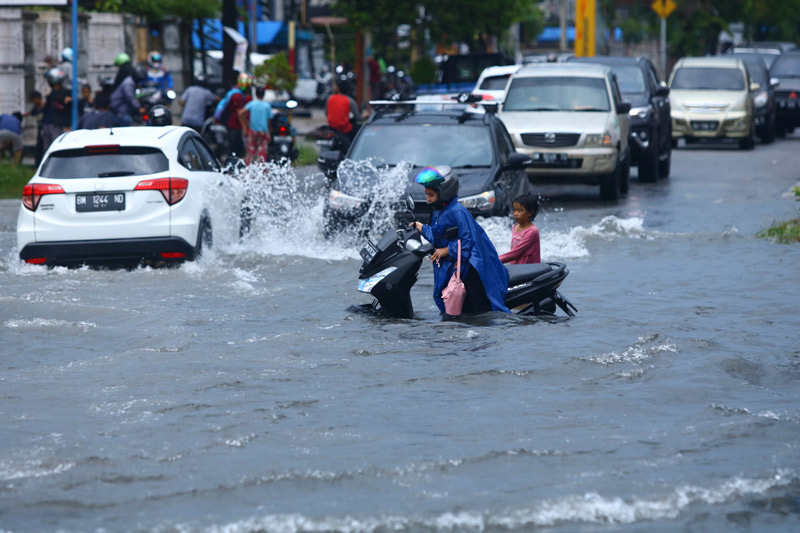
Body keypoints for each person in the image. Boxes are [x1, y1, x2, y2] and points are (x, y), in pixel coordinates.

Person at [411, 166, 510, 315]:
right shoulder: (439, 211)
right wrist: (421, 227)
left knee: (477, 315)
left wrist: (446, 250)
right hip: (455, 268)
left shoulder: (458, 212)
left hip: (470, 269)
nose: (427, 199)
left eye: (431, 194)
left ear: (444, 192)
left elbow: (467, 244)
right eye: (427, 194)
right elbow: (437, 235)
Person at [499, 194, 541, 264]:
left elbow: (515, 253)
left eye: (520, 210)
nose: (515, 214)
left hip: (530, 270)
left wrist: (495, 260)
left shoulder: (532, 231)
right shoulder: (515, 227)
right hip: (516, 268)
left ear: (530, 212)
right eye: (514, 210)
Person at [41, 68, 72, 154]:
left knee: (57, 147)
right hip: (48, 123)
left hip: (57, 124)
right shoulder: (51, 94)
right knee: (47, 150)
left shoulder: (66, 92)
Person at [238, 86, 272, 164]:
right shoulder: (267, 106)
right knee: (262, 153)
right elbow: (269, 121)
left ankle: (248, 170)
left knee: (250, 151)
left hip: (253, 131)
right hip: (263, 132)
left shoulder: (252, 104)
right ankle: (260, 170)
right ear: (264, 94)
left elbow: (240, 113)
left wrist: (246, 124)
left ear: (256, 94)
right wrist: (269, 132)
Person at [222, 73, 252, 158]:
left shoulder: (236, 92)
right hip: (234, 125)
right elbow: (239, 113)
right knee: (236, 148)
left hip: (236, 124)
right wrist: (245, 126)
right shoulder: (237, 95)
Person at [23, 90, 45, 165]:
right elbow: (30, 113)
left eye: (34, 99)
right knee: (39, 147)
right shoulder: (36, 107)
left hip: (45, 128)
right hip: (39, 128)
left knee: (44, 146)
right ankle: (37, 164)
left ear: (38, 98)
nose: (34, 102)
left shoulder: (45, 106)